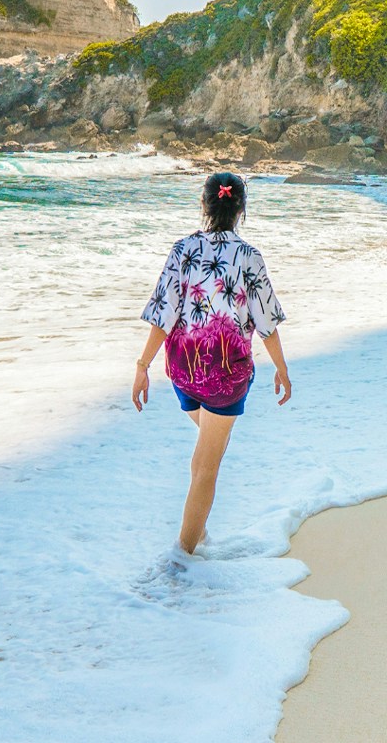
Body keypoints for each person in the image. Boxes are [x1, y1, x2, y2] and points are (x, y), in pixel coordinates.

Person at [132, 172, 293, 556]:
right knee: (209, 465)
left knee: (208, 449)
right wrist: (281, 368)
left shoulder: (182, 249)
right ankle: (180, 559)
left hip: (182, 372)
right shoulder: (248, 256)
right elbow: (266, 322)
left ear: (205, 205)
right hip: (225, 376)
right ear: (241, 209)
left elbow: (163, 315)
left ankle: (198, 532)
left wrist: (143, 365)